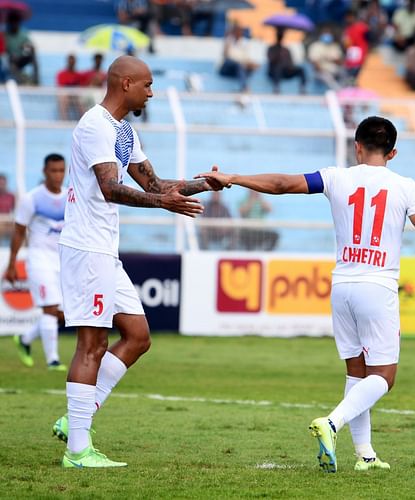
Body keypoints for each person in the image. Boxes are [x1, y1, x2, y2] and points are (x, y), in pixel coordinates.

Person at [197, 116, 415, 472]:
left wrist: (233, 178)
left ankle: (364, 454)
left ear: (357, 146)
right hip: (377, 286)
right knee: (383, 377)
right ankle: (332, 422)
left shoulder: (336, 176)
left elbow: (281, 183)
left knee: (357, 372)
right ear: (393, 152)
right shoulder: (405, 186)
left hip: (342, 286)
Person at [51, 55, 219, 469]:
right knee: (93, 343)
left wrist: (209, 183)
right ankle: (77, 449)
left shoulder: (123, 130)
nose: (152, 91)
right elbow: (110, 188)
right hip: (87, 247)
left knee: (138, 336)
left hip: (104, 249)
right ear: (125, 84)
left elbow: (155, 184)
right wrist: (163, 202)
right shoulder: (94, 125)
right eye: (146, 84)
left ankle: (78, 419)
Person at [6, 154, 67, 372]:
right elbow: (19, 231)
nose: (58, 175)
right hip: (39, 260)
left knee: (64, 314)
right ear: (44, 172)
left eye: (61, 170)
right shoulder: (32, 199)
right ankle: (53, 360)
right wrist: (12, 263)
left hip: (64, 261)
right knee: (50, 308)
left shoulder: (70, 197)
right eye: (53, 171)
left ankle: (24, 338)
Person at [219, 23, 258, 93]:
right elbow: (227, 56)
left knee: (245, 67)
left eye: (240, 31)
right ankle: (244, 87)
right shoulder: (228, 41)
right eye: (237, 31)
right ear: (233, 32)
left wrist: (251, 64)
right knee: (238, 64)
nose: (239, 33)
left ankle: (243, 86)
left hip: (239, 67)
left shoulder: (244, 43)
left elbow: (246, 58)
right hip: (226, 67)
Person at [267, 28, 307, 95]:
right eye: (279, 36)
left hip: (286, 71)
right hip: (274, 71)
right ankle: (276, 88)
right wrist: (278, 54)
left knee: (301, 69)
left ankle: (302, 88)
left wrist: (289, 67)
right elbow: (271, 60)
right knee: (278, 68)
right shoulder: (271, 48)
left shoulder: (286, 49)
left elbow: (291, 61)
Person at [5, 10, 39, 85]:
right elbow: (4, 50)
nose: (14, 24)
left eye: (15, 21)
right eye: (12, 21)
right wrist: (11, 55)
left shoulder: (23, 34)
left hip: (22, 58)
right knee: (11, 64)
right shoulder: (6, 35)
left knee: (33, 56)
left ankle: (36, 81)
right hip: (12, 60)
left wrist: (27, 47)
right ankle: (22, 81)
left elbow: (30, 46)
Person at [56, 54, 85, 120]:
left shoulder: (79, 75)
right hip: (66, 95)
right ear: (67, 61)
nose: (71, 63)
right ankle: (64, 120)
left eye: (73, 61)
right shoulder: (61, 74)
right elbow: (61, 87)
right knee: (63, 97)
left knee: (81, 98)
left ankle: (82, 120)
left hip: (75, 96)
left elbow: (80, 86)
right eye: (70, 61)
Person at [0, 173, 16, 242]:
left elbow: (15, 210)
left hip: (8, 221)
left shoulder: (11, 196)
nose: (1, 186)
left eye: (3, 184)